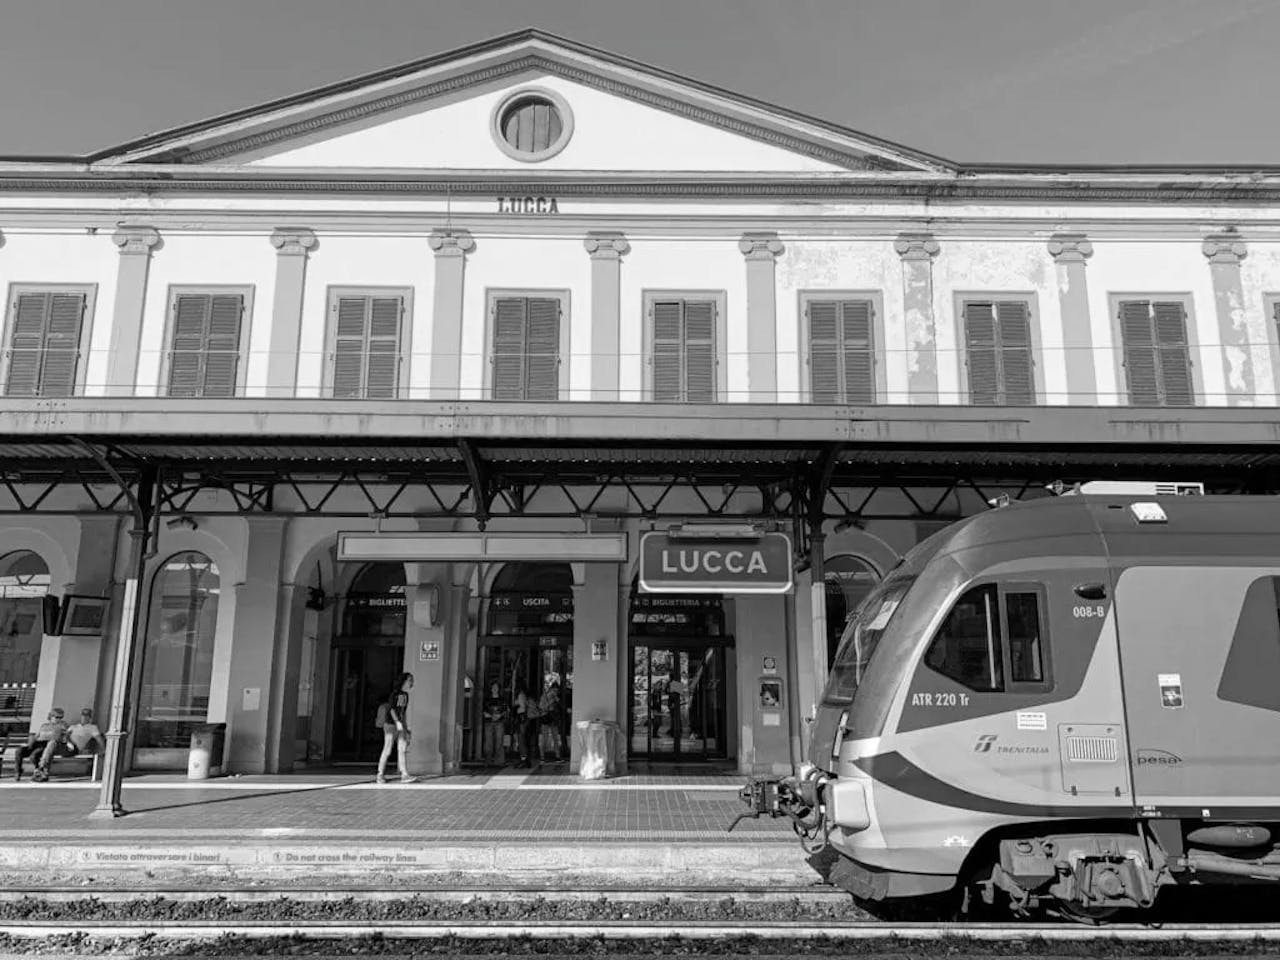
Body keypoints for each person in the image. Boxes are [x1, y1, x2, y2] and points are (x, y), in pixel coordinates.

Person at [376, 672, 416, 785]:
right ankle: (380, 774)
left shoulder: (406, 695)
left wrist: (405, 726)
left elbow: (403, 712)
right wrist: (397, 722)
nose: (412, 682)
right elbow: (392, 709)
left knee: (402, 748)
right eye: (410, 680)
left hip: (400, 725)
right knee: (387, 749)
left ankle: (404, 774)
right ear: (404, 681)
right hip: (390, 725)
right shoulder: (395, 694)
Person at [16, 708, 69, 782]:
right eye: (57, 717)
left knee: (34, 755)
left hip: (50, 745)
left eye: (61, 717)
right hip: (39, 744)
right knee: (20, 750)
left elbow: (65, 736)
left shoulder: (62, 725)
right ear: (51, 716)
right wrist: (29, 744)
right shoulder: (44, 726)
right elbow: (36, 736)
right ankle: (18, 771)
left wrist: (65, 734)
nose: (59, 719)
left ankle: (42, 772)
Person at [481, 682, 507, 767]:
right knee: (488, 741)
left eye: (496, 687)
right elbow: (483, 710)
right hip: (489, 722)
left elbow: (505, 710)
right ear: (491, 688)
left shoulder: (502, 699)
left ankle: (499, 761)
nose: (495, 688)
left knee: (499, 741)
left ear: (499, 689)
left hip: (499, 722)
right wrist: (488, 714)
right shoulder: (487, 699)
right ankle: (488, 760)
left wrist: (500, 715)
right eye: (493, 687)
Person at [537, 681, 564, 762]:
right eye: (554, 690)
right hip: (546, 718)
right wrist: (550, 702)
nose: (555, 692)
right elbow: (541, 708)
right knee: (544, 738)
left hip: (553, 719)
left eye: (557, 691)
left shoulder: (555, 697)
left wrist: (556, 700)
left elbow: (561, 706)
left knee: (555, 738)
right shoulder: (544, 696)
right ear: (551, 689)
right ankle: (542, 757)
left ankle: (557, 756)